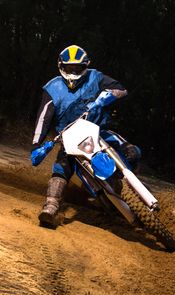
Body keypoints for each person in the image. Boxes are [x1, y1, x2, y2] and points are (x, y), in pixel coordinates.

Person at [31, 44, 141, 227]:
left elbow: (122, 90)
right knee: (61, 167)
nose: (73, 71)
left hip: (99, 131)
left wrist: (109, 95)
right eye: (69, 68)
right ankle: (51, 206)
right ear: (61, 66)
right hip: (69, 139)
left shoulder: (96, 77)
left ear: (86, 66)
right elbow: (43, 118)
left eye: (78, 68)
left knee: (132, 151)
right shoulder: (52, 88)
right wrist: (36, 145)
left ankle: (134, 189)